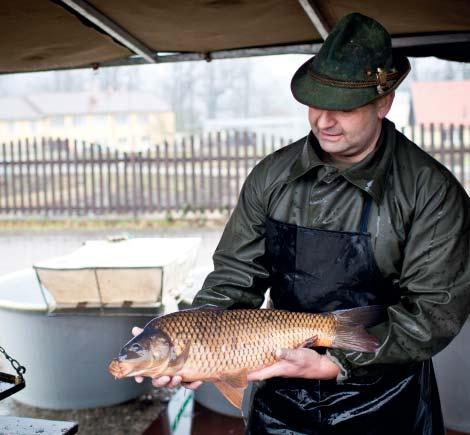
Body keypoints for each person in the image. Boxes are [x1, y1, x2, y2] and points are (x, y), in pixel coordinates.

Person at [134, 12, 470, 434]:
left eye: (344, 108)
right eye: (317, 103)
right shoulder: (272, 176)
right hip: (280, 391)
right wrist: (196, 346)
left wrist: (337, 363)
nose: (324, 121)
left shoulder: (430, 191)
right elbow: (235, 276)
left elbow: (434, 313)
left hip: (387, 398)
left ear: (384, 102)